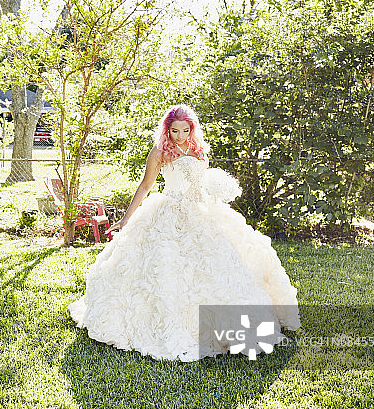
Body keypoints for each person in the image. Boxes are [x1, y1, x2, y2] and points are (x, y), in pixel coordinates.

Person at [68, 104, 301, 361]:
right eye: (175, 130)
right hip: (168, 211)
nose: (180, 136)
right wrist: (126, 218)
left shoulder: (199, 150)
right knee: (166, 267)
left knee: (222, 265)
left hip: (200, 213)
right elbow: (146, 186)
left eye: (185, 130)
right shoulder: (159, 152)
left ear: (192, 129)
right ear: (167, 129)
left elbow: (201, 187)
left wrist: (217, 195)